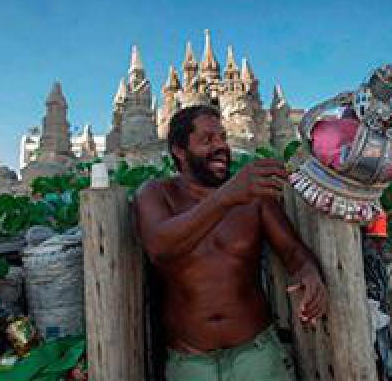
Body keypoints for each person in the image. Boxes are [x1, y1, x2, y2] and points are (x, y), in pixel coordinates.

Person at [134, 105, 328, 381]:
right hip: (190, 362)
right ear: (179, 150)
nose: (221, 146)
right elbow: (160, 248)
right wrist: (226, 196)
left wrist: (308, 271)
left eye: (223, 138)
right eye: (207, 140)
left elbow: (293, 252)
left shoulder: (254, 196)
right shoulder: (156, 194)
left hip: (257, 355)